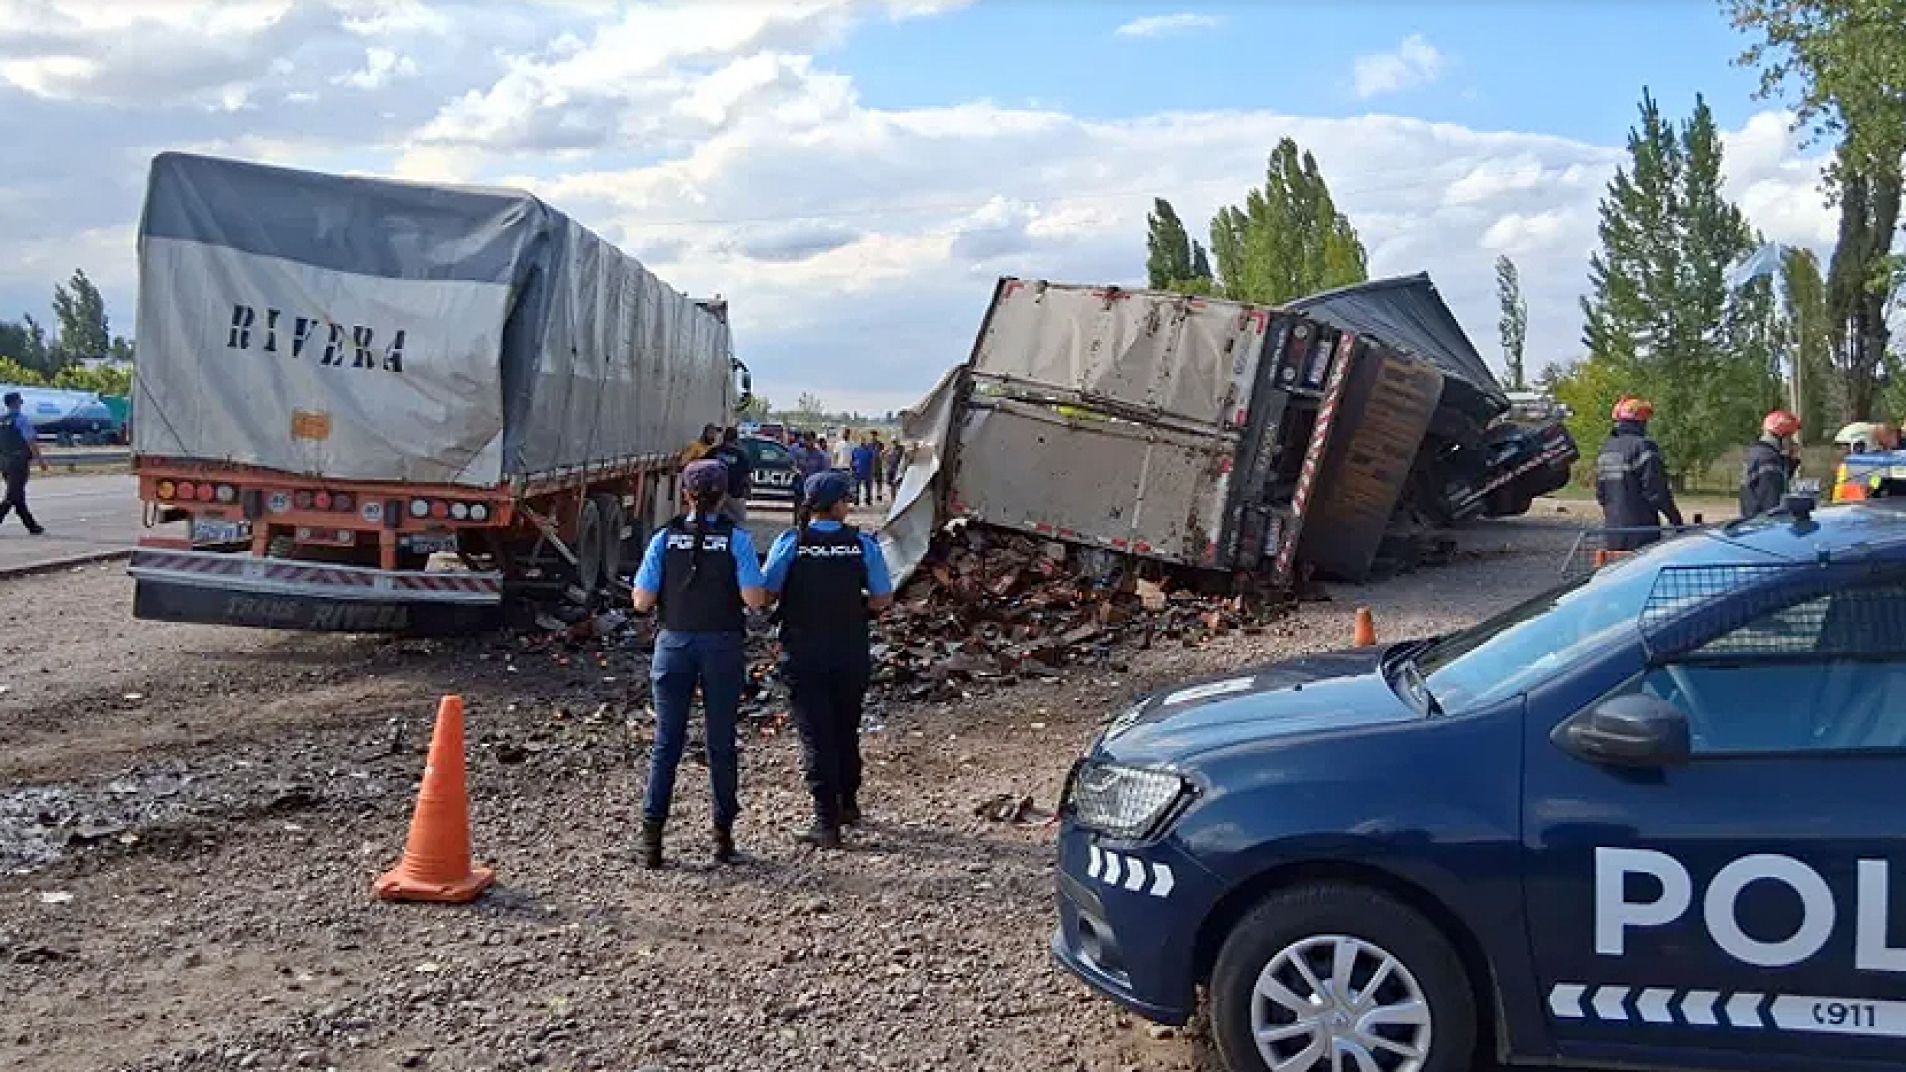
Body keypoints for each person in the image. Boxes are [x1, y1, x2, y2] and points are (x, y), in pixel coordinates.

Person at [630, 459, 769, 869]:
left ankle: (652, 842)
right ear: (723, 495)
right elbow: (754, 600)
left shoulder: (664, 537)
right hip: (721, 645)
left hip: (674, 644)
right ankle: (723, 837)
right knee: (721, 742)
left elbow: (641, 602)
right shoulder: (736, 539)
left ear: (685, 494)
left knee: (666, 742)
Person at [762, 471, 894, 848]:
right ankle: (848, 804)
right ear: (836, 506)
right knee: (845, 728)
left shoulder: (792, 542)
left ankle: (826, 822)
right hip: (850, 649)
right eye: (847, 500)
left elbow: (766, 593)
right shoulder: (862, 544)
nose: (849, 505)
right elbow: (882, 598)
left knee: (816, 734)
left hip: (803, 652)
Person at [1595, 396, 1682, 551]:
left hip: (1613, 532)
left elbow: (1601, 496)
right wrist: (1676, 520)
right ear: (1640, 422)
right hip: (1642, 531)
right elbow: (1656, 492)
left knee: (1617, 565)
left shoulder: (1606, 449)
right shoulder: (1644, 447)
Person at [0, 392, 47, 535]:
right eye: (20, 401)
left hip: (5, 462)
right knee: (12, 496)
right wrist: (40, 460)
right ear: (15, 403)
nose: (21, 403)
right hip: (18, 462)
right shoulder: (21, 420)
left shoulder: (2, 421)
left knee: (17, 495)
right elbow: (31, 441)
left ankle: (32, 526)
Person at [1741, 410, 1802, 518]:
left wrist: (1791, 462)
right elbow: (1773, 502)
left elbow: (1778, 481)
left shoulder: (1759, 453)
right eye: (1790, 437)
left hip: (1752, 520)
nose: (1793, 442)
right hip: (1764, 523)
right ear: (1781, 436)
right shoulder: (1768, 460)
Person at [707, 426, 752, 524]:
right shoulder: (741, 454)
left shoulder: (714, 451)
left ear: (724, 437)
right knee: (739, 521)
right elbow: (747, 475)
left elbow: (703, 467)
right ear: (736, 439)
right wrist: (748, 491)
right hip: (734, 492)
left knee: (712, 520)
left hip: (715, 492)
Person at [850, 434, 877, 506]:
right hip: (858, 471)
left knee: (868, 487)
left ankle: (868, 500)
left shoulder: (870, 451)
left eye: (863, 440)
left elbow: (872, 461)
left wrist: (872, 471)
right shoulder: (855, 450)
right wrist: (853, 468)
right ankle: (856, 501)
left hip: (867, 471)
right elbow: (852, 460)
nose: (862, 442)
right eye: (861, 440)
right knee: (857, 487)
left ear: (865, 442)